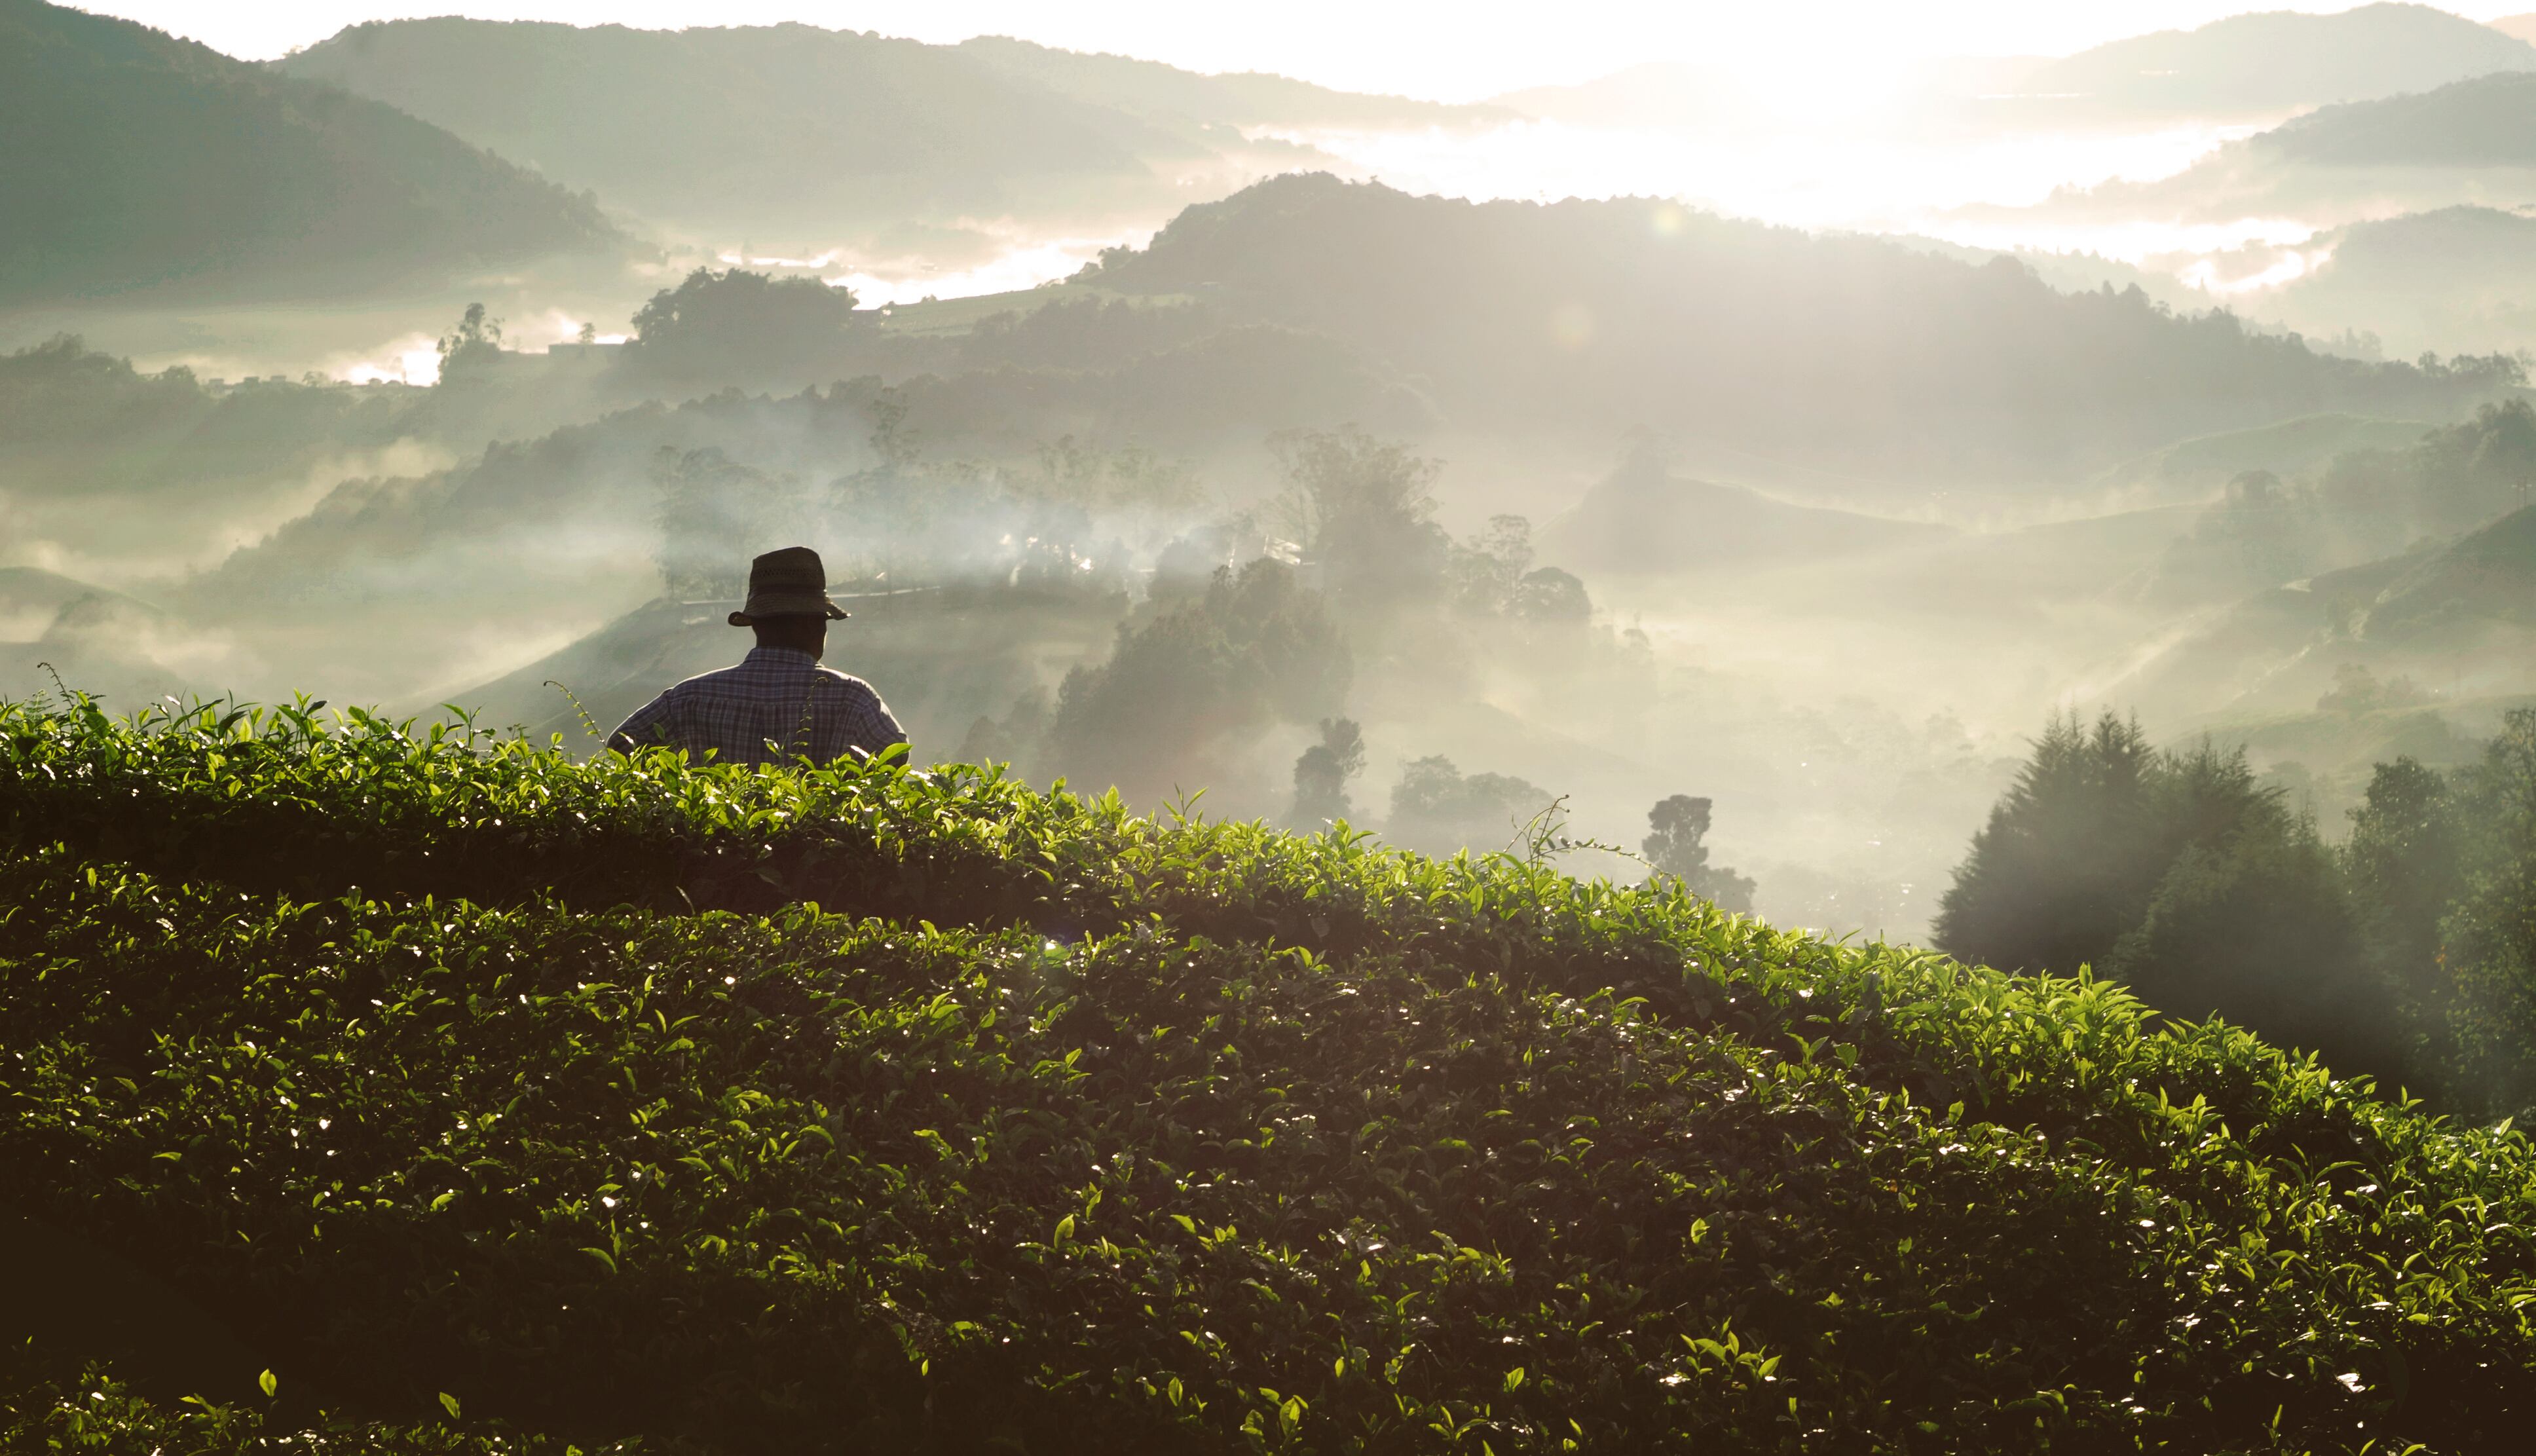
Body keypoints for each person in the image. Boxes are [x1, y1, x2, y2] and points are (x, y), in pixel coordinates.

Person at [608, 546, 906, 766]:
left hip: (713, 848)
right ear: (813, 623)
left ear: (756, 623)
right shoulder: (851, 697)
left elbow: (620, 746)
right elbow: (895, 756)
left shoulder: (689, 697)